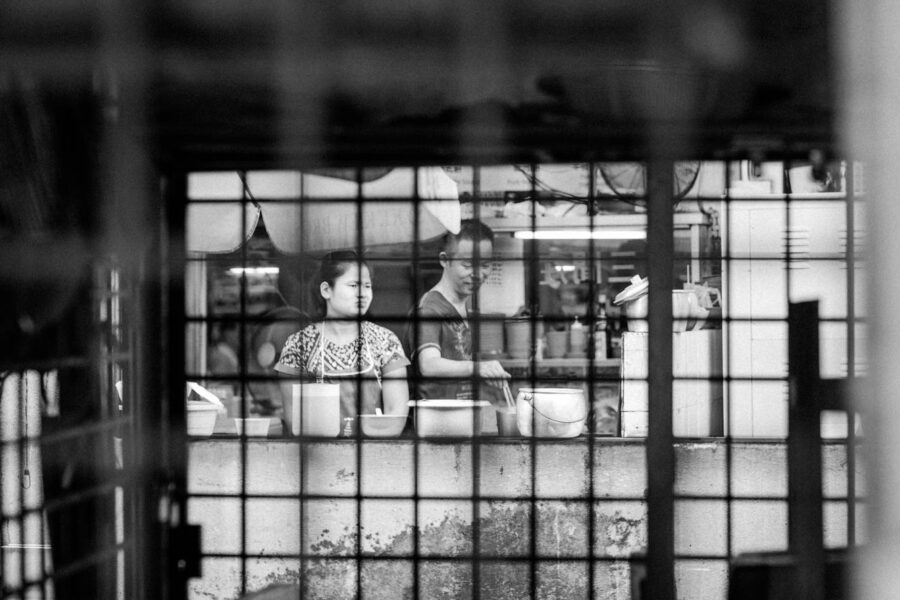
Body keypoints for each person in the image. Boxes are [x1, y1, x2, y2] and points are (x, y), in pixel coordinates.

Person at [274, 251, 410, 422]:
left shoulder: (386, 341)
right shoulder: (298, 345)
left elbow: (396, 412)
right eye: (353, 285)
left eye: (367, 286)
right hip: (317, 447)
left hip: (374, 445)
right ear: (326, 290)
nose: (362, 293)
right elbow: (294, 416)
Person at [406, 219, 510, 400]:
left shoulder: (463, 307)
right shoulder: (429, 310)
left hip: (461, 417)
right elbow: (428, 365)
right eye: (467, 265)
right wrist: (478, 368)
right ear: (445, 260)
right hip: (435, 421)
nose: (478, 274)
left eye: (485, 265)